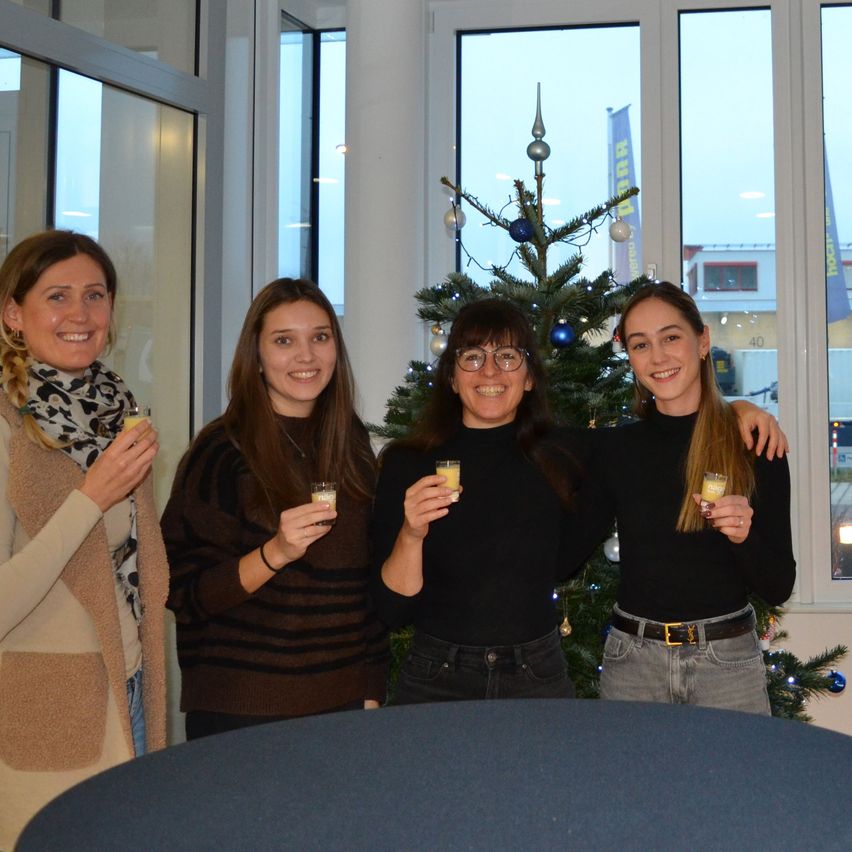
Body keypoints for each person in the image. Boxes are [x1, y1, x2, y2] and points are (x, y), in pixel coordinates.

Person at [161, 278, 388, 740]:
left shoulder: (350, 442)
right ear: (257, 356)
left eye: (320, 337)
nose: (306, 356)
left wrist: (370, 687)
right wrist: (275, 553)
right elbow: (182, 591)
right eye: (284, 341)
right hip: (242, 709)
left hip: (342, 704)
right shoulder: (221, 451)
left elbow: (367, 581)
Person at [0, 230, 168, 848]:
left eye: (95, 295)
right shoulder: (7, 424)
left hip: (129, 690)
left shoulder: (114, 408)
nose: (80, 314)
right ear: (13, 314)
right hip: (45, 712)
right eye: (57, 296)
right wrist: (89, 499)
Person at [571, 281, 795, 714]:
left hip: (727, 665)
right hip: (633, 666)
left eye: (671, 337)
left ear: (703, 341)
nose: (657, 357)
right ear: (630, 356)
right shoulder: (615, 450)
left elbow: (778, 586)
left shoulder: (754, 442)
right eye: (640, 345)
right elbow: (563, 558)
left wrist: (743, 536)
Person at [372, 299, 587, 703]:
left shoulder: (564, 456)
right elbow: (392, 611)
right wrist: (411, 534)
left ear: (529, 378)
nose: (490, 371)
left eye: (507, 356)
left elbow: (648, 445)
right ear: (452, 379)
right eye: (472, 356)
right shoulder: (407, 463)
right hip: (435, 678)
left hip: (537, 675)